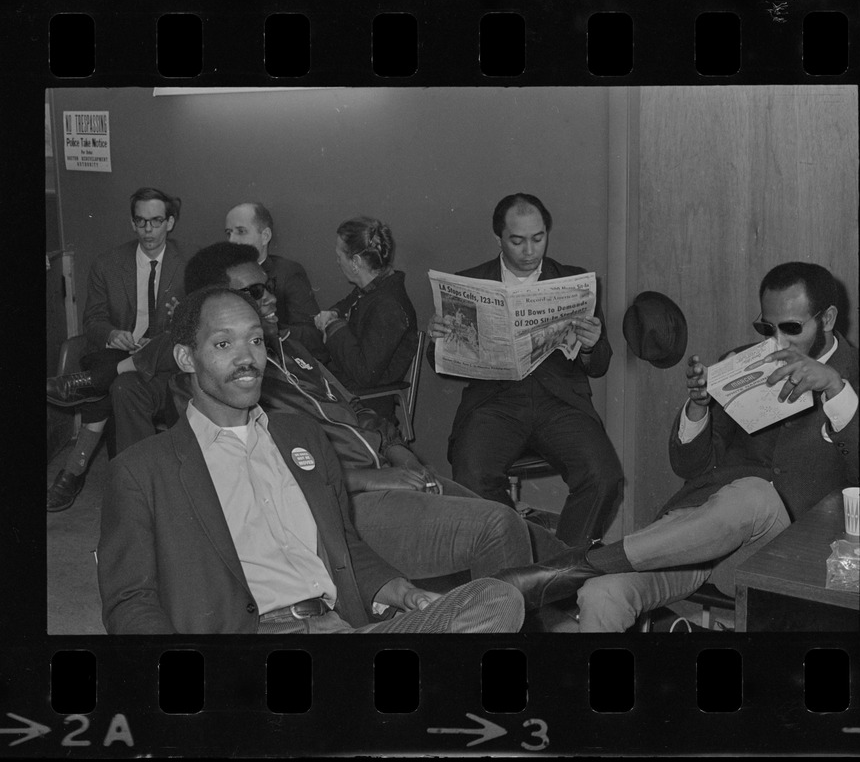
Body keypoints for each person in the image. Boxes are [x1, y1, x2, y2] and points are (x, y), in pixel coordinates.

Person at [111, 242, 563, 578]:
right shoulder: (224, 385)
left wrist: (398, 452)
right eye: (251, 291)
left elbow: (355, 410)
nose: (268, 297)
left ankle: (604, 589)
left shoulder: (290, 350)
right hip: (344, 502)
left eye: (266, 286)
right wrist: (371, 478)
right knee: (500, 529)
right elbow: (262, 478)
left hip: (389, 471)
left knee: (543, 543)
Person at [96, 286, 525, 634]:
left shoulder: (301, 436)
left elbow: (345, 545)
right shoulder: (142, 470)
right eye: (223, 343)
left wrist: (403, 592)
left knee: (497, 599)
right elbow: (130, 601)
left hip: (340, 630)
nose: (246, 358)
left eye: (256, 340)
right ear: (187, 358)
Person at [493, 262, 859, 632]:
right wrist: (698, 408)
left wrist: (835, 389)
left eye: (791, 328)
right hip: (701, 536)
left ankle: (578, 565)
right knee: (601, 594)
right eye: (767, 327)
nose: (777, 341)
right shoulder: (744, 360)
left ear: (827, 319)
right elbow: (689, 467)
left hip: (778, 553)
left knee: (755, 495)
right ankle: (587, 585)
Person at [426, 193, 624, 546]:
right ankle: (517, 556)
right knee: (471, 476)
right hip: (495, 403)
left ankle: (560, 567)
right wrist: (439, 340)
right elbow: (444, 367)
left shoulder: (574, 281)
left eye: (538, 238)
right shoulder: (470, 283)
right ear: (498, 239)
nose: (530, 251)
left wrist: (592, 344)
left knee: (604, 477)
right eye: (517, 241)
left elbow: (601, 364)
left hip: (559, 402)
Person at [45, 187, 193, 512]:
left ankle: (75, 467)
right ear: (132, 223)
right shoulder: (108, 264)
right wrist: (113, 334)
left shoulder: (188, 268)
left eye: (156, 221)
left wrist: (153, 345)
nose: (148, 231)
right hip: (116, 354)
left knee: (109, 381)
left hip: (164, 365)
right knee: (118, 377)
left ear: (170, 222)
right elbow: (93, 320)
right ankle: (129, 483)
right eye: (141, 222)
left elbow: (191, 328)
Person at [314, 217, 418, 421]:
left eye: (339, 256)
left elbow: (364, 373)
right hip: (346, 389)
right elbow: (345, 305)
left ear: (356, 262)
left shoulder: (388, 305)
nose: (337, 261)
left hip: (365, 405)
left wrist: (334, 325)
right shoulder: (372, 288)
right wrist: (333, 314)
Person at [225, 201, 324, 353]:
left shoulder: (287, 273)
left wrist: (269, 328)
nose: (232, 241)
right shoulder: (222, 275)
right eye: (228, 233)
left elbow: (312, 336)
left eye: (241, 232)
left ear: (265, 236)